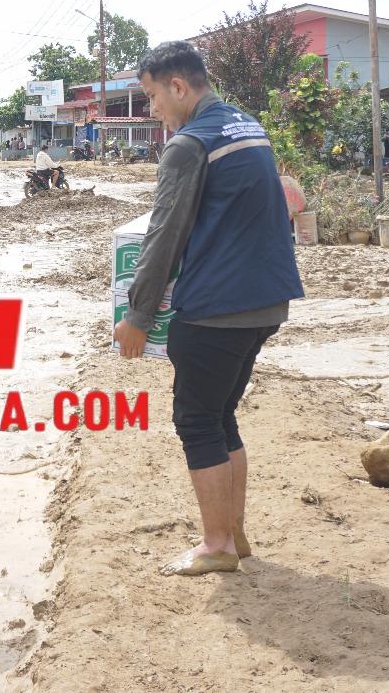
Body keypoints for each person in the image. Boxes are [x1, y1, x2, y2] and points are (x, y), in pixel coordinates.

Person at [112, 41, 303, 578]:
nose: (152, 110)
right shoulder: (246, 127)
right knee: (220, 416)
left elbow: (163, 236)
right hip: (265, 301)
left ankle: (216, 545)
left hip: (217, 307)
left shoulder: (188, 144)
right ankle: (233, 533)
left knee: (196, 422)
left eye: (152, 97)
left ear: (178, 87)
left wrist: (137, 317)